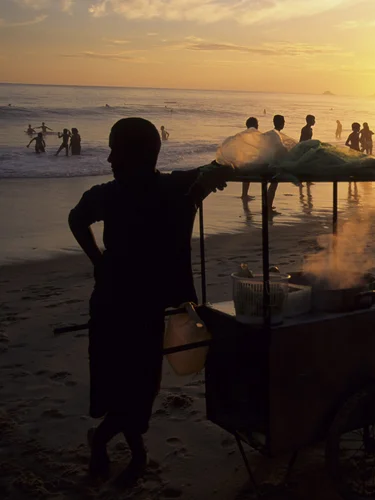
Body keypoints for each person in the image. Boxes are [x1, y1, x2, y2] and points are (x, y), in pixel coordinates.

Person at [68, 117, 234, 486]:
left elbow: (77, 220)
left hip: (140, 311)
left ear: (139, 154)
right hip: (112, 309)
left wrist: (99, 261)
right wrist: (98, 262)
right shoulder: (166, 189)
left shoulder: (167, 189)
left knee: (139, 389)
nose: (109, 158)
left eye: (116, 150)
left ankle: (115, 445)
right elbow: (77, 219)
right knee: (118, 387)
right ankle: (125, 450)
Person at [266, 115, 286, 210]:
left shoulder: (273, 133)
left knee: (271, 185)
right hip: (272, 165)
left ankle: (267, 205)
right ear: (280, 123)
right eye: (283, 121)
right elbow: (280, 150)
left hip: (268, 163)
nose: (284, 123)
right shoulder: (276, 135)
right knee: (274, 184)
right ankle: (268, 206)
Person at [240, 117, 260, 199]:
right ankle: (244, 194)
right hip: (249, 165)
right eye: (257, 124)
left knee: (247, 171)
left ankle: (244, 194)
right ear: (255, 125)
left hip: (242, 163)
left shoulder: (242, 135)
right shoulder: (257, 136)